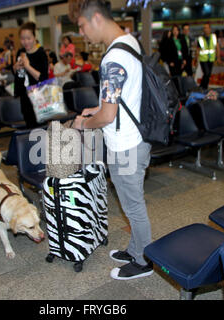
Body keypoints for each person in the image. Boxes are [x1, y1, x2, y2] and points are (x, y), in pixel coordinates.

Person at [70, 0, 153, 280]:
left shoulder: (112, 58)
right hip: (134, 137)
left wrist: (84, 123)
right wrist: (97, 110)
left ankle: (144, 262)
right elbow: (121, 98)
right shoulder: (129, 41)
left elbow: (106, 116)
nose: (82, 33)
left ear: (95, 18)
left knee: (133, 206)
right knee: (131, 203)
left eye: (81, 26)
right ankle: (135, 248)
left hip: (126, 145)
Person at [13, 22, 48, 128]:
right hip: (25, 97)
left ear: (34, 37)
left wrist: (27, 66)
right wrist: (16, 68)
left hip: (39, 96)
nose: (26, 42)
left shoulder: (41, 53)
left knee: (41, 128)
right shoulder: (21, 52)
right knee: (30, 127)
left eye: (28, 38)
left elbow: (42, 77)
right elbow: (20, 76)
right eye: (23, 39)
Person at [195, 23, 221, 89]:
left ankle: (202, 86)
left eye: (207, 28)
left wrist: (218, 58)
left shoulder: (214, 37)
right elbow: (197, 49)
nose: (205, 29)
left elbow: (217, 47)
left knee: (208, 74)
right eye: (204, 28)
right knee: (206, 73)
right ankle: (204, 87)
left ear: (210, 29)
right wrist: (196, 59)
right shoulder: (200, 38)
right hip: (203, 59)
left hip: (211, 59)